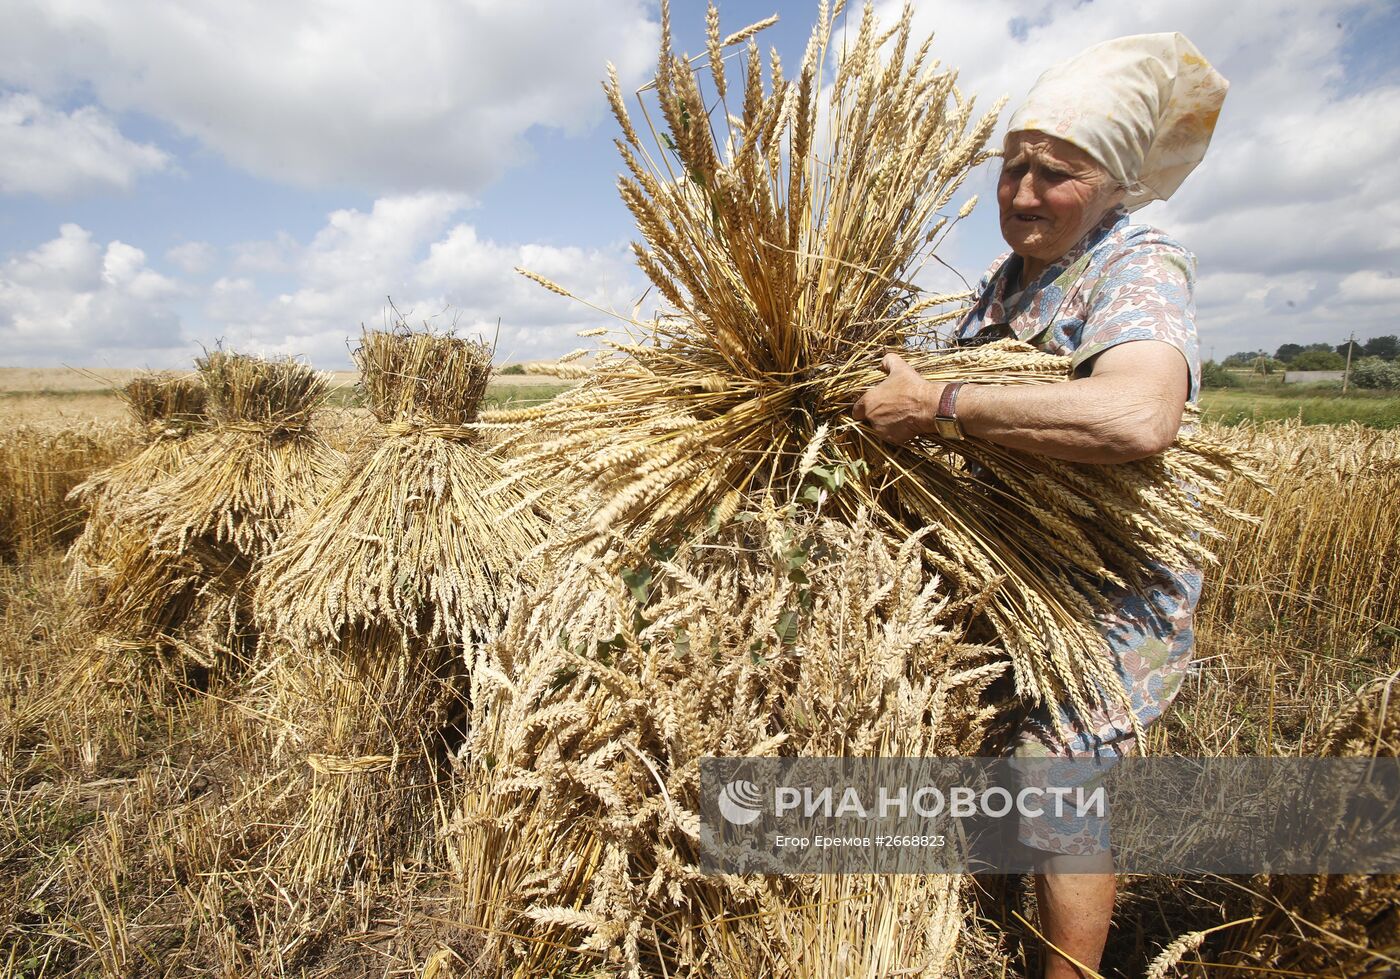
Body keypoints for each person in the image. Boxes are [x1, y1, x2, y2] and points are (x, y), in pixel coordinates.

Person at [852, 33, 1228, 979]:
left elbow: (1141, 415)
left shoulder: (1138, 264)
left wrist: (939, 405)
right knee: (997, 774)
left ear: (1113, 184)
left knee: (1060, 799)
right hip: (1017, 574)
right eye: (1011, 165)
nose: (1021, 191)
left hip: (1102, 594)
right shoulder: (1011, 277)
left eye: (1053, 173)